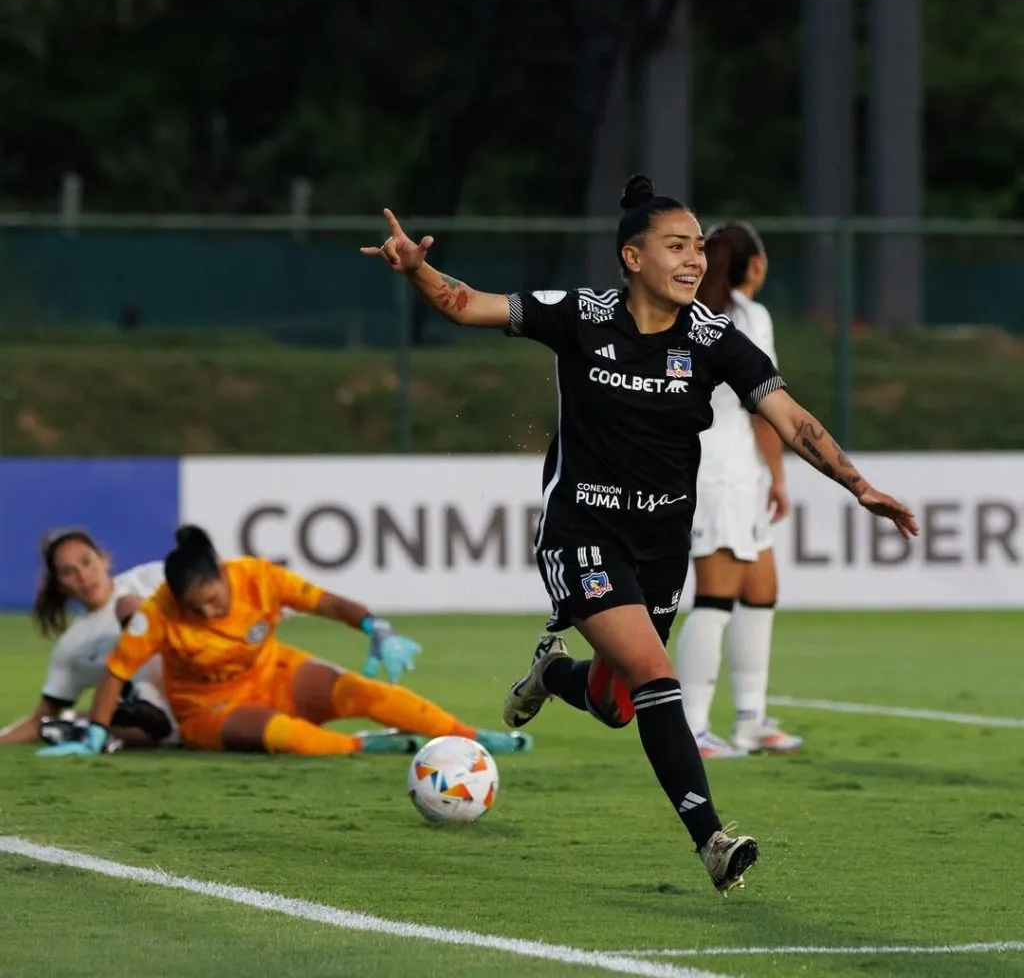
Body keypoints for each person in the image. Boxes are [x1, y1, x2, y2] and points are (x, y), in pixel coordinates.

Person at [359, 177, 918, 894]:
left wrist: (859, 485)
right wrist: (418, 269)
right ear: (631, 256)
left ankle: (551, 672)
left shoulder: (716, 338)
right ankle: (712, 839)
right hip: (581, 533)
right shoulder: (581, 316)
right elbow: (467, 304)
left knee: (616, 704)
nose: (693, 260)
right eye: (676, 246)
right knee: (657, 679)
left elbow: (790, 417)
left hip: (659, 548)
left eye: (698, 248)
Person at [39, 526, 531, 758]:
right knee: (281, 735)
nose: (208, 613)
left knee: (363, 692)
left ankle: (471, 737)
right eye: (197, 609)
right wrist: (97, 733)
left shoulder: (258, 577)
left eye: (213, 601)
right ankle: (363, 746)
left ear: (221, 575)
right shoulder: (159, 612)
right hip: (209, 709)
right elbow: (116, 672)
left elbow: (329, 603)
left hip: (274, 671)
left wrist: (374, 628)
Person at [674, 222, 802, 758]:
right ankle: (693, 728)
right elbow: (764, 406)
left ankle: (750, 718)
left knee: (760, 590)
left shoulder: (687, 313)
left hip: (724, 467)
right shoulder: (749, 316)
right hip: (723, 470)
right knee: (715, 596)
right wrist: (780, 475)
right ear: (753, 265)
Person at [0, 528, 175, 750]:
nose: (83, 576)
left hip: (206, 683)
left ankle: (93, 728)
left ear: (104, 559)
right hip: (156, 721)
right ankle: (104, 728)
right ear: (60, 585)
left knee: (130, 607)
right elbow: (38, 721)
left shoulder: (153, 578)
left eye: (86, 562)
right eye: (68, 572)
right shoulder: (72, 648)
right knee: (62, 721)